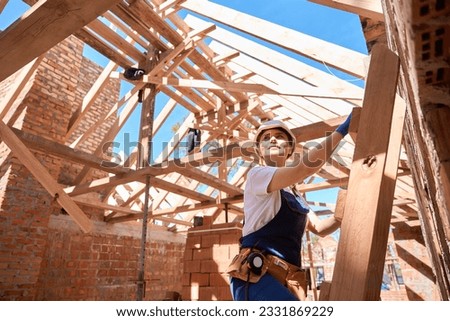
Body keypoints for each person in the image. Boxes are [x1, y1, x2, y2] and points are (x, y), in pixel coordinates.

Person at [227, 114, 352, 301]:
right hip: (256, 277)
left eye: (279, 136)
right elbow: (303, 169)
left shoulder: (295, 194)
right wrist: (341, 132)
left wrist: (346, 201)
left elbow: (321, 229)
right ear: (260, 151)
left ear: (289, 149)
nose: (273, 140)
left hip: (286, 279)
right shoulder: (257, 175)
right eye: (266, 138)